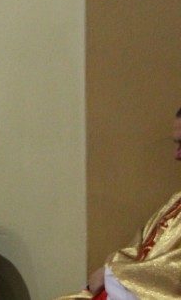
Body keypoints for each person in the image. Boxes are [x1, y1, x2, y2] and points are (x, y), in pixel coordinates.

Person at [59, 107, 181, 300]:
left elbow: (170, 274)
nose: (176, 155)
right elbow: (139, 249)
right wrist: (111, 269)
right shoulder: (177, 200)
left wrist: (113, 274)